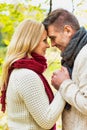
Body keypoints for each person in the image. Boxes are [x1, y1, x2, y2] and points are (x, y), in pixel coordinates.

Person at [0, 19, 65, 130]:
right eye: (44, 40)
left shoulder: (20, 71)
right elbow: (46, 121)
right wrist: (64, 85)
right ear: (31, 41)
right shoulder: (26, 75)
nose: (48, 46)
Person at [43, 8, 87, 130]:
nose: (52, 44)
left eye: (53, 38)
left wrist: (64, 84)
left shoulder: (85, 55)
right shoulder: (73, 57)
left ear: (67, 30)